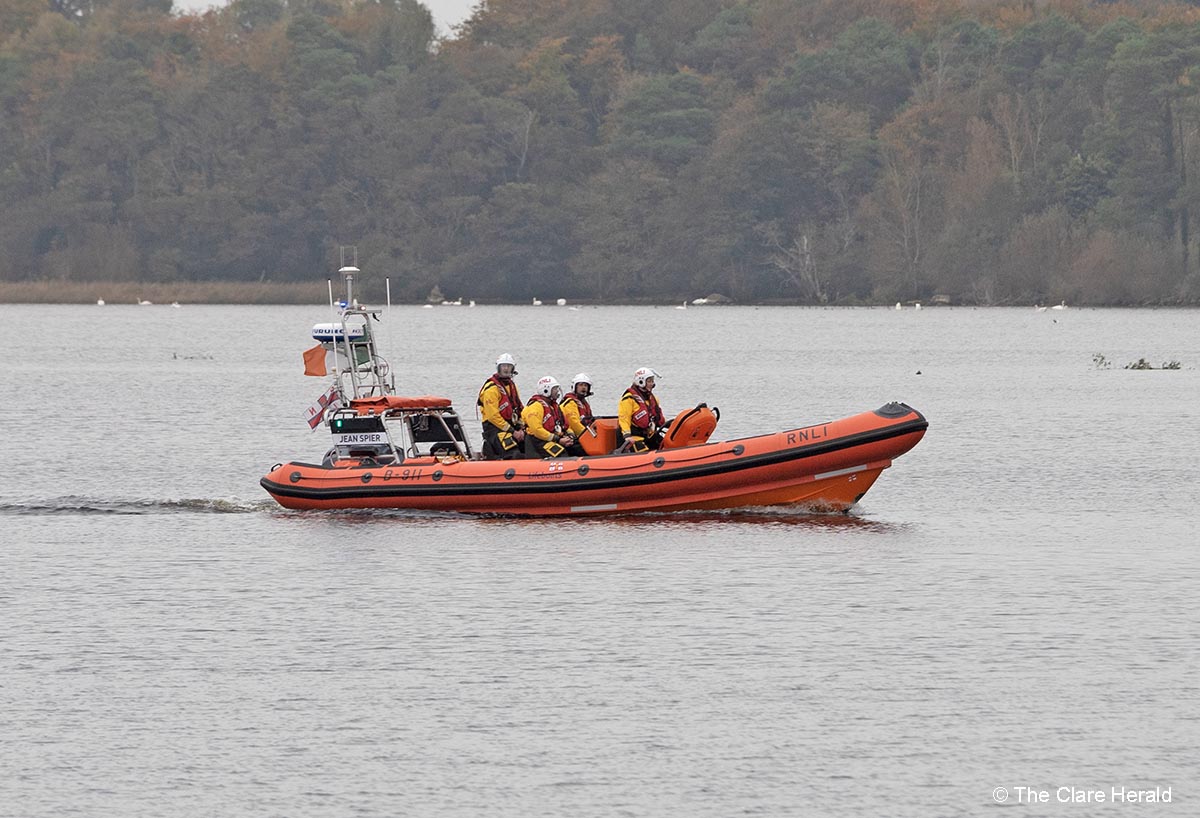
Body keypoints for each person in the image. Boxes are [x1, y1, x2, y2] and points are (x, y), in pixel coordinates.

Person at [477, 353, 525, 459]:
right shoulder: (491, 389)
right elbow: (493, 416)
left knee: (529, 444)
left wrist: (521, 427)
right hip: (495, 430)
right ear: (498, 368)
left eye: (509, 366)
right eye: (503, 366)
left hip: (512, 427)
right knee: (513, 454)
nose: (506, 369)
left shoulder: (512, 386)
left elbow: (519, 408)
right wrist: (512, 432)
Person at [521, 376, 575, 459]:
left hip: (553, 437)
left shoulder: (554, 406)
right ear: (546, 390)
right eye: (555, 389)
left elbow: (564, 424)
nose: (557, 391)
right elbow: (537, 430)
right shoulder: (535, 406)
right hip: (538, 441)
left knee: (575, 447)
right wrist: (557, 439)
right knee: (561, 454)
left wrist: (570, 435)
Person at [619, 367, 667, 452]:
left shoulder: (653, 399)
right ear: (641, 381)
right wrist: (627, 436)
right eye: (649, 381)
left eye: (652, 381)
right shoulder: (629, 399)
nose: (652, 384)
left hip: (649, 435)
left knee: (666, 444)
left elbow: (658, 418)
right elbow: (624, 419)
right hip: (635, 437)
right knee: (642, 450)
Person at [559, 372, 594, 456]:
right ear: (575, 387)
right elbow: (574, 423)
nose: (583, 388)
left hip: (582, 436)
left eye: (585, 385)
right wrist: (589, 436)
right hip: (572, 436)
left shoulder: (584, 404)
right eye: (581, 385)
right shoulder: (570, 403)